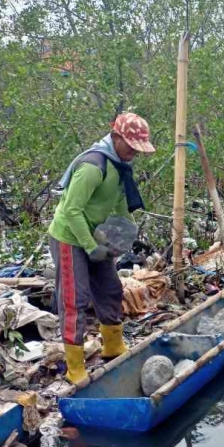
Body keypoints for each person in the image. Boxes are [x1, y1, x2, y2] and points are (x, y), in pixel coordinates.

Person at [48, 112, 155, 383]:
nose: (133, 153)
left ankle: (113, 345)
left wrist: (125, 233)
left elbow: (119, 205)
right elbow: (71, 211)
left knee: (111, 288)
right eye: (130, 146)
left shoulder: (119, 166)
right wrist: (89, 246)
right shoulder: (93, 166)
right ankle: (75, 366)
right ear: (116, 137)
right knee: (76, 299)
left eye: (137, 149)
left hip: (94, 235)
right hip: (70, 237)